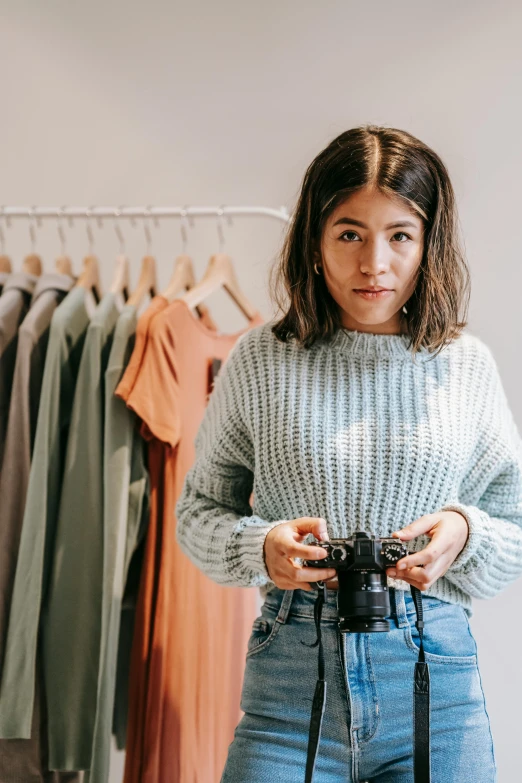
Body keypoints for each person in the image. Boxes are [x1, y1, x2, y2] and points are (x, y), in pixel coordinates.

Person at [176, 125, 522, 782]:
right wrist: (262, 547)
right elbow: (198, 512)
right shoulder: (261, 360)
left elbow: (515, 522)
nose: (375, 264)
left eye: (400, 234)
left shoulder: (465, 367)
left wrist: (464, 531)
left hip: (435, 689)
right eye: (349, 233)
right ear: (314, 238)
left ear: (429, 245)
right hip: (289, 684)